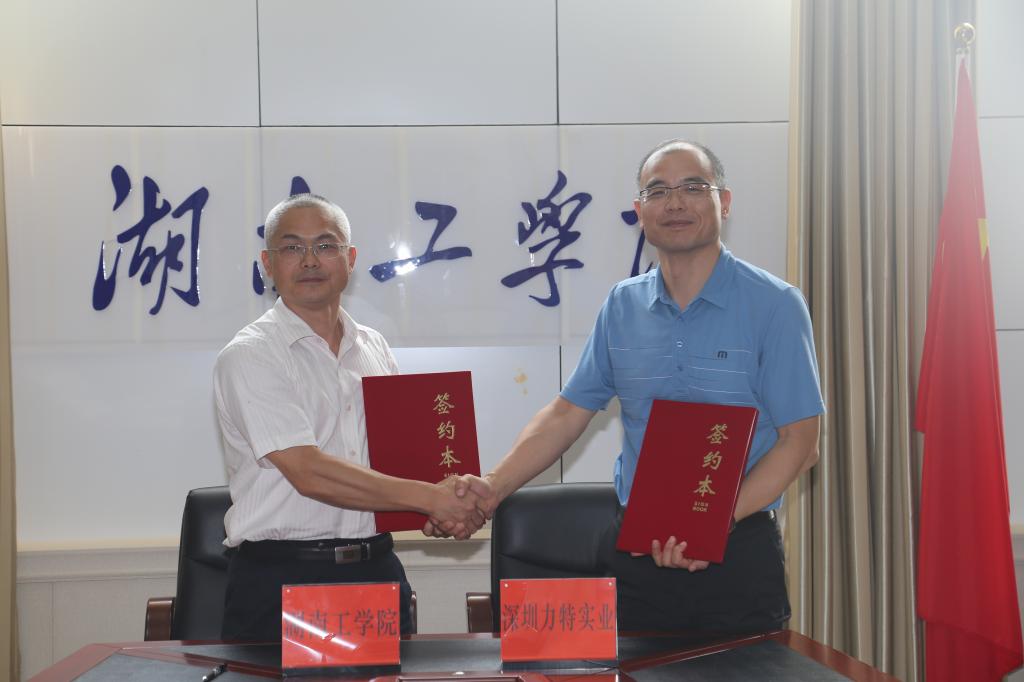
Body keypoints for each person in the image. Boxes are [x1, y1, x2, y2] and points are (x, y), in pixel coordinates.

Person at [430, 140, 824, 634]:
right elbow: (567, 412)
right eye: (658, 191)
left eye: (693, 188)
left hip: (737, 545)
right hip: (636, 550)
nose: (675, 203)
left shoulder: (775, 305)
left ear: (724, 202)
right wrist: (492, 486)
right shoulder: (622, 305)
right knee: (628, 669)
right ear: (639, 212)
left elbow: (799, 442)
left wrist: (712, 523)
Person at [214, 193, 487, 641]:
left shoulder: (373, 346)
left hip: (375, 569)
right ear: (268, 264)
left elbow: (396, 463)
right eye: (292, 247)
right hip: (283, 578)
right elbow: (309, 472)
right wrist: (430, 497)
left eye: (325, 245)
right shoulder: (251, 354)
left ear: (350, 258)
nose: (309, 260)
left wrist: (435, 506)